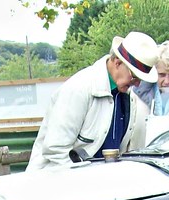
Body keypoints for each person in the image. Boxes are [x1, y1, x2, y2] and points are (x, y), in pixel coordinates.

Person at [27, 31, 158, 170]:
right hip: (52, 182)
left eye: (140, 79)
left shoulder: (128, 97)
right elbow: (55, 150)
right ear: (117, 62)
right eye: (134, 77)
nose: (137, 84)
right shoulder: (79, 88)